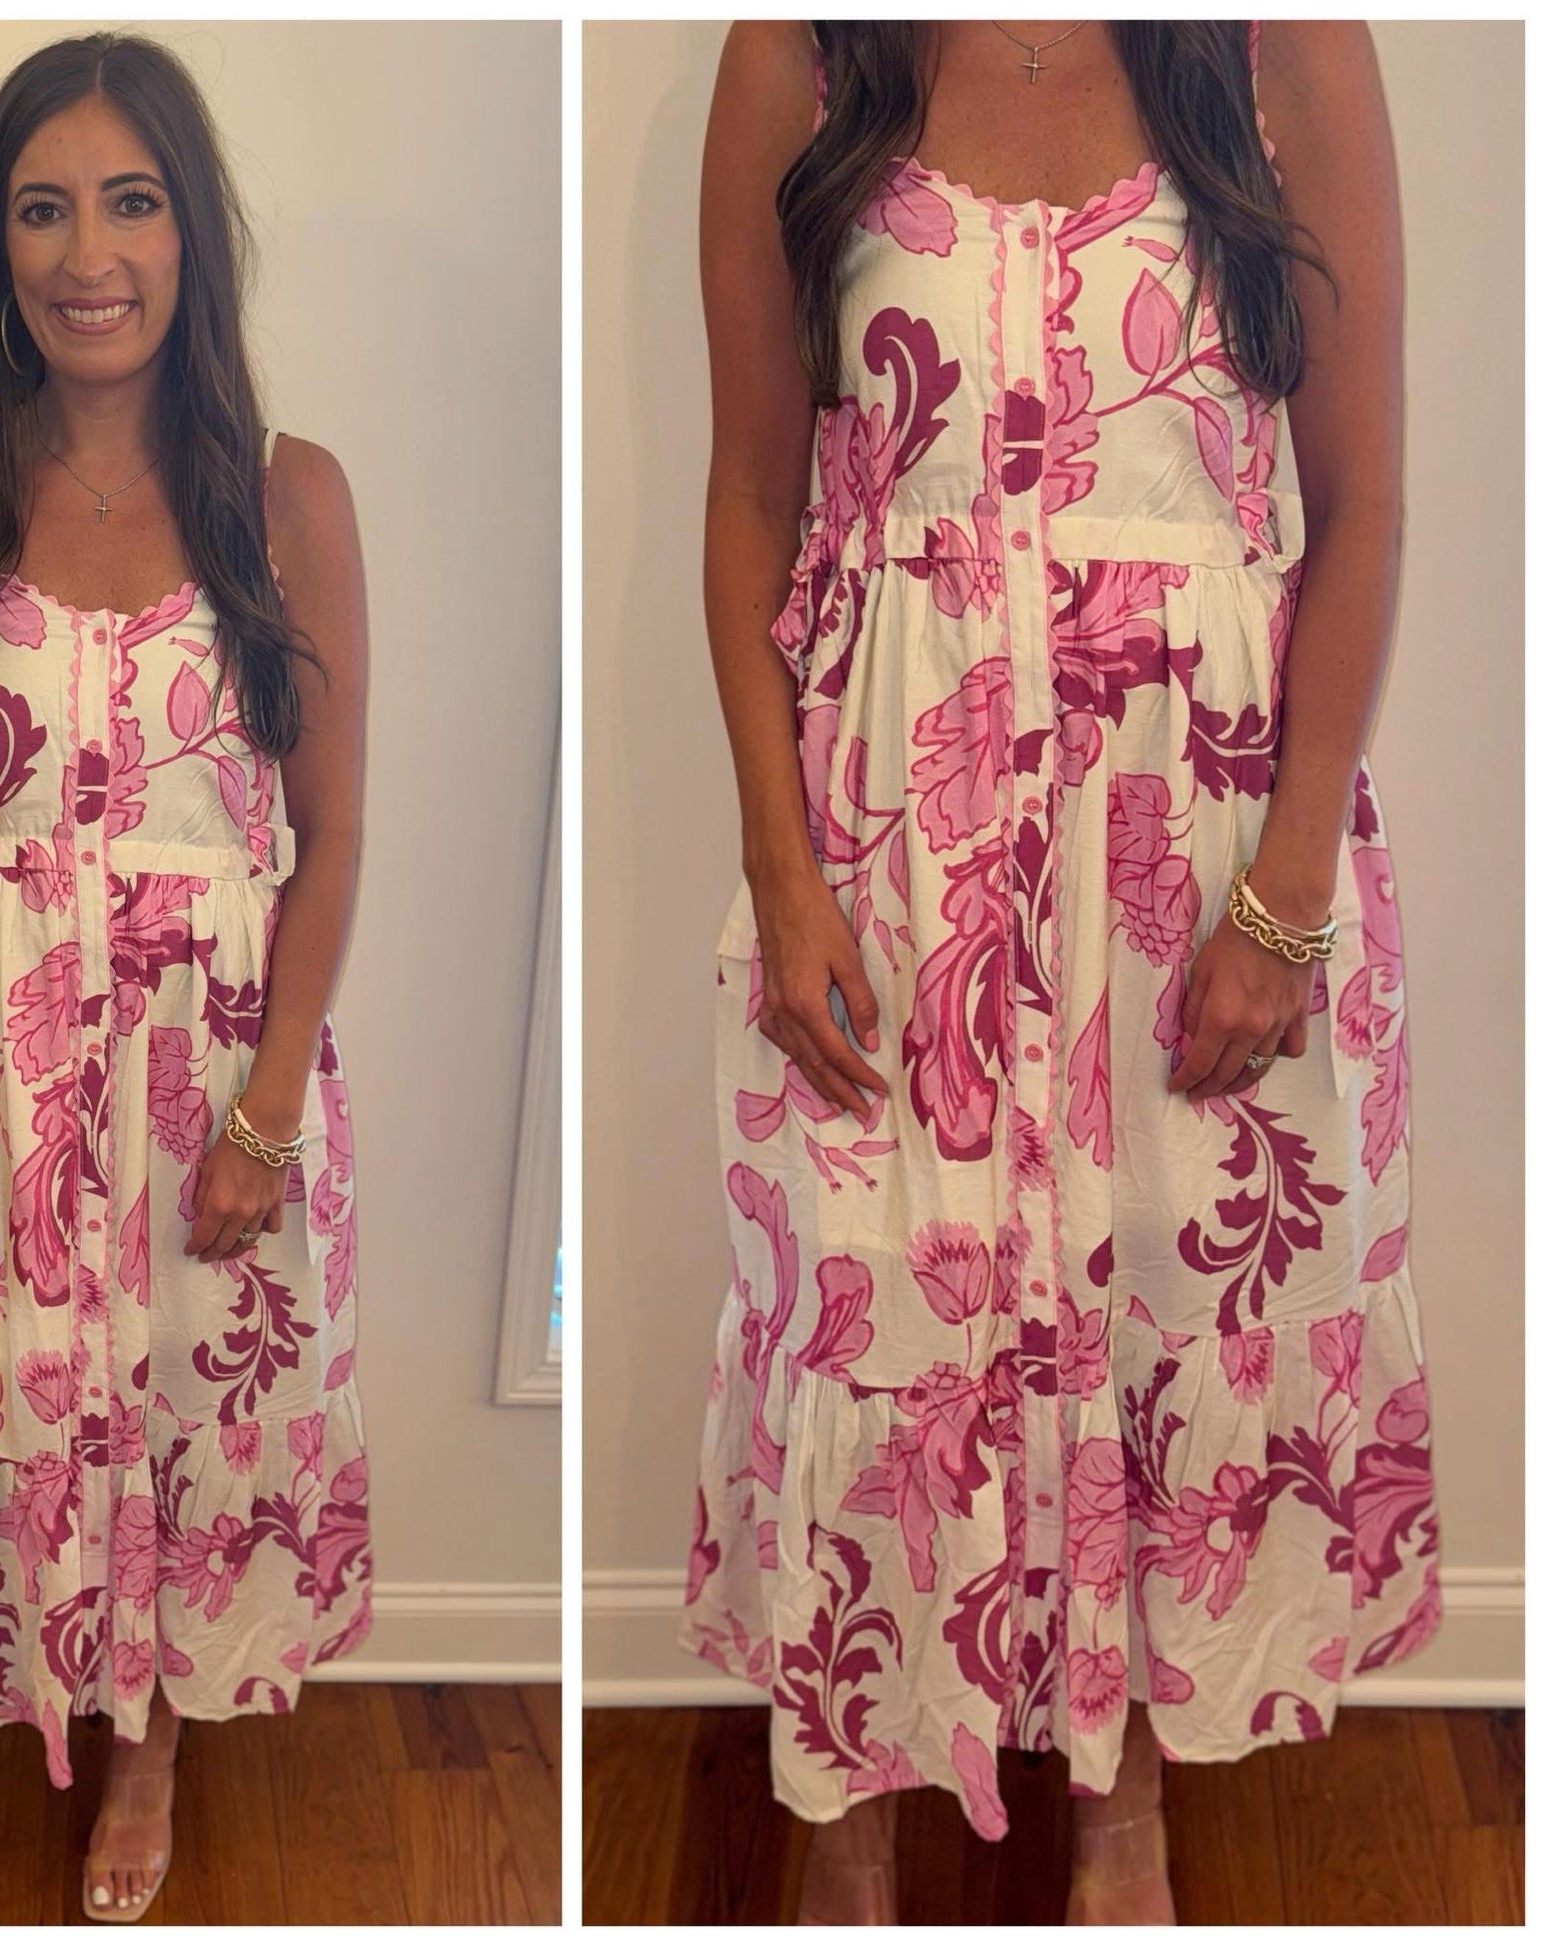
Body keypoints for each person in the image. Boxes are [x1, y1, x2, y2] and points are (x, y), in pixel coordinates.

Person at [681, 19, 1440, 1926]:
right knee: (870, 1317)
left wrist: (1285, 892)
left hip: (1195, 837)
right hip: (891, 832)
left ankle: (1119, 1799)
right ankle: (849, 1800)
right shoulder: (801, 51)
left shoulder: (1280, 46)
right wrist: (778, 867)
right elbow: (752, 495)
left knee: (1168, 1309)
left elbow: (1358, 497)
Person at [0, 33, 372, 1926]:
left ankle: (148, 1738)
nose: (88, 255)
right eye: (43, 209)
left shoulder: (291, 498)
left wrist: (268, 1112)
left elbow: (329, 838)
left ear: (189, 232)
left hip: (208, 1074)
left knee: (184, 1422)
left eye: (130, 204)